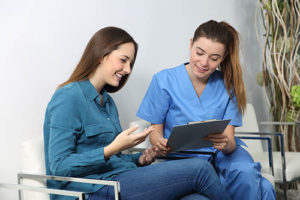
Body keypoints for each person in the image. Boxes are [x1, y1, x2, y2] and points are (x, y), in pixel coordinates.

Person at [43, 26, 231, 200]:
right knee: (200, 169)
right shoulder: (68, 97)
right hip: (92, 190)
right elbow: (59, 167)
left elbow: (112, 160)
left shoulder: (107, 102)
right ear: (101, 54)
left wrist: (140, 159)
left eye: (130, 63)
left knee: (197, 199)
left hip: (117, 178)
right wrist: (112, 148)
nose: (127, 70)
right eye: (123, 60)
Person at [137, 20, 276, 200]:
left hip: (224, 156)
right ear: (191, 45)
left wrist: (224, 143)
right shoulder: (163, 81)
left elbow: (230, 143)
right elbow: (155, 133)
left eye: (214, 58)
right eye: (199, 52)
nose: (204, 62)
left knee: (246, 173)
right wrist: (160, 144)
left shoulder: (228, 85)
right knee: (264, 188)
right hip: (182, 160)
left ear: (224, 56)